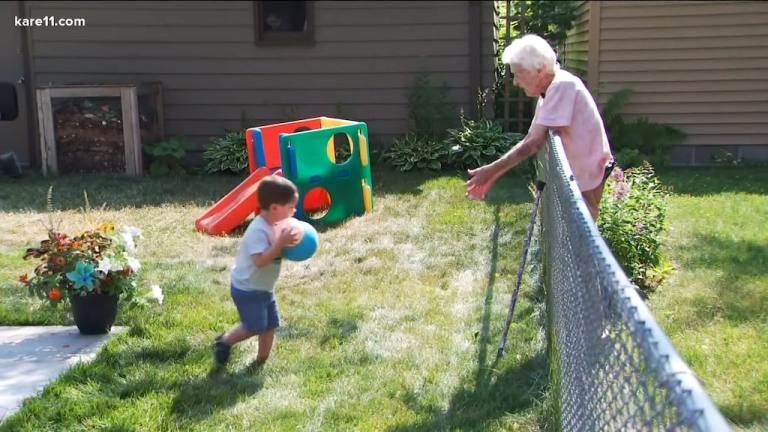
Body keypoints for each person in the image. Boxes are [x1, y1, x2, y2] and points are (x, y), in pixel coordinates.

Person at [466, 34, 614, 220]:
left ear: (541, 69)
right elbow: (530, 138)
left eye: (518, 74)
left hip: (587, 177)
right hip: (576, 177)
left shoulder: (562, 86)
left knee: (583, 237)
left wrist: (491, 171)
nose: (515, 82)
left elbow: (533, 144)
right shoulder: (549, 91)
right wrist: (492, 177)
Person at [214, 175, 301, 368]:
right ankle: (225, 341)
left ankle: (261, 361)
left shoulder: (276, 225)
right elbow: (260, 261)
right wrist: (280, 244)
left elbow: (279, 250)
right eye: (290, 207)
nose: (294, 211)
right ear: (275, 208)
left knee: (270, 325)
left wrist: (289, 243)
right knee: (254, 327)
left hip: (264, 288)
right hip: (248, 289)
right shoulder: (258, 231)